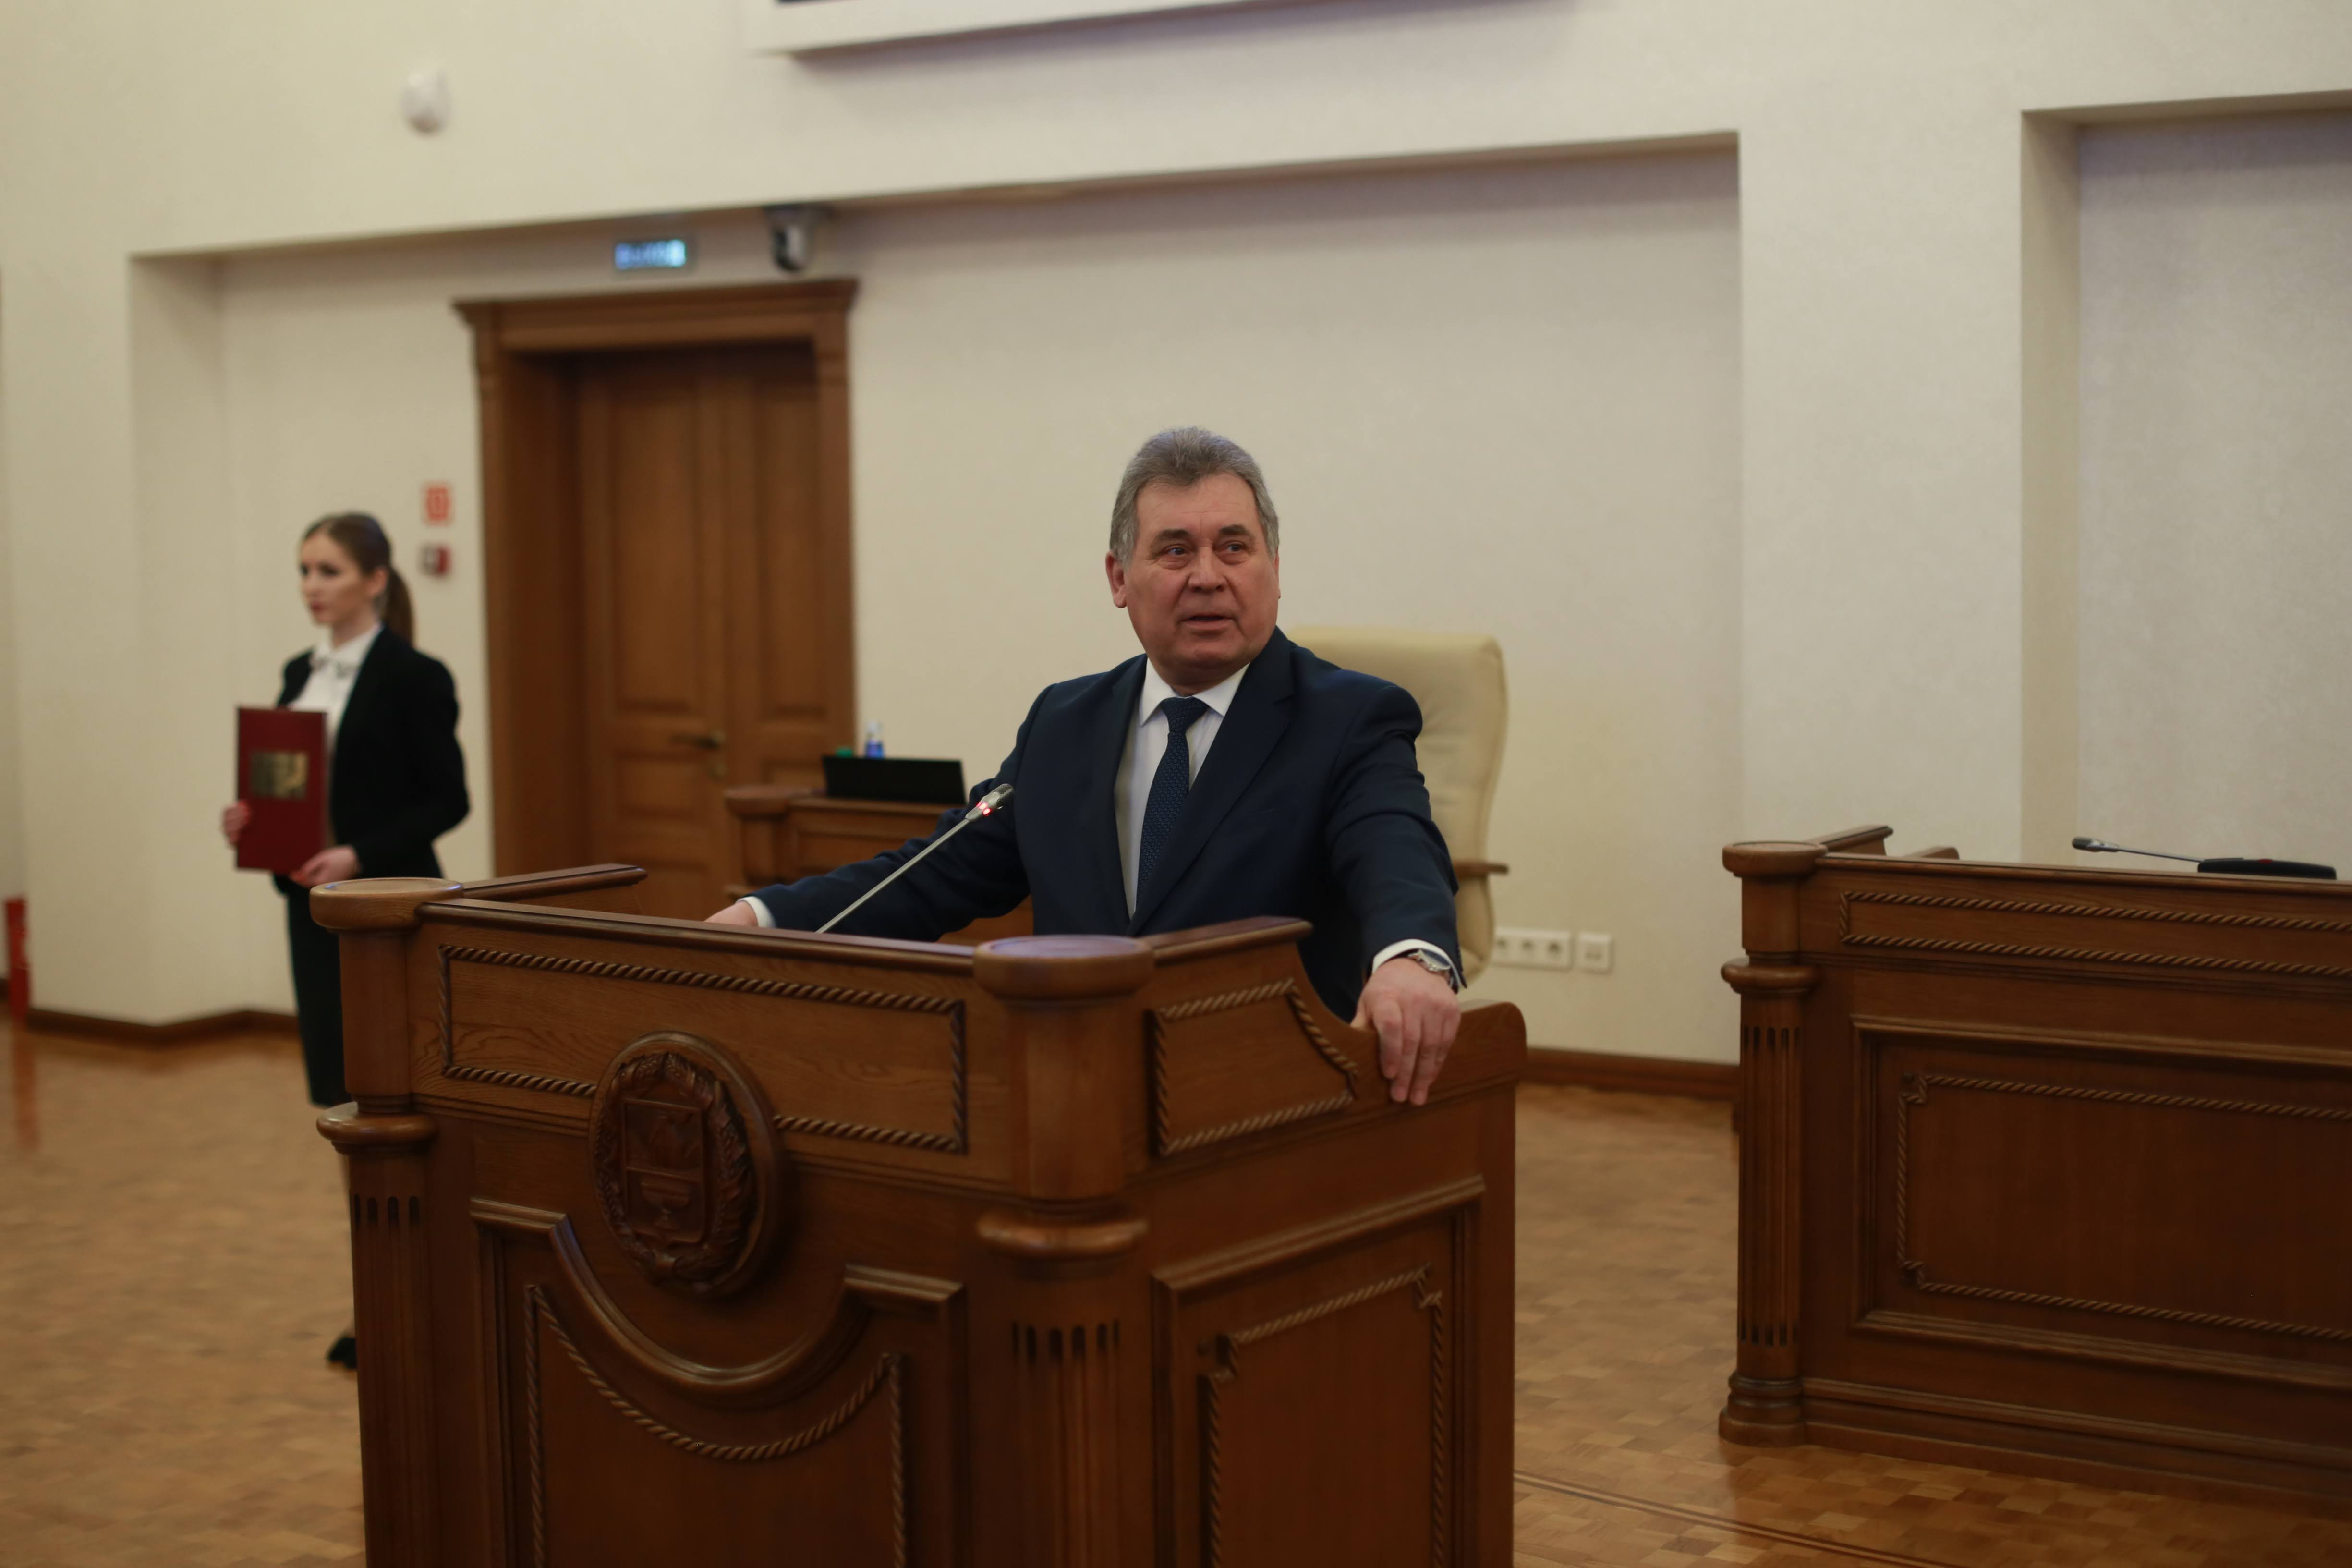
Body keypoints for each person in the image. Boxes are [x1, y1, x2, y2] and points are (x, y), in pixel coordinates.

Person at [710, 428, 1463, 1104]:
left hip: (1263, 1095)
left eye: (1233, 547)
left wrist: (1412, 957)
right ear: (1118, 578)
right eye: (1175, 550)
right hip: (1072, 1091)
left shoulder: (1349, 717)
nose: (1207, 575)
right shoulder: (1064, 723)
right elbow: (939, 869)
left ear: (1273, 566)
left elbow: (1395, 848)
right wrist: (765, 917)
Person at [220, 512, 469, 1367]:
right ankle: (377, 1298)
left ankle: (420, 1297)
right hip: (314, 911)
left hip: (386, 915)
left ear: (375, 579)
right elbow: (292, 788)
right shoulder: (301, 672)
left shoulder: (414, 675)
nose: (311, 586)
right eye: (304, 570)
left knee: (394, 1103)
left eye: (328, 570)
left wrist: (358, 853)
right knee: (345, 1104)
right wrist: (251, 821)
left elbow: (447, 800)